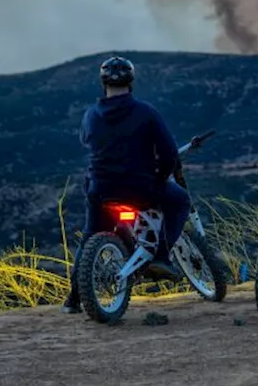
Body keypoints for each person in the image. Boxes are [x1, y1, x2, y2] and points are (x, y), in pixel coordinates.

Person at [62, 56, 189, 313]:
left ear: (103, 83)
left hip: (100, 189)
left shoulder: (91, 115)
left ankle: (74, 300)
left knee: (89, 238)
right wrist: (162, 175)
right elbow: (169, 154)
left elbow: (87, 141)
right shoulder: (146, 112)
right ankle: (162, 258)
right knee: (179, 201)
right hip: (140, 188)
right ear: (131, 82)